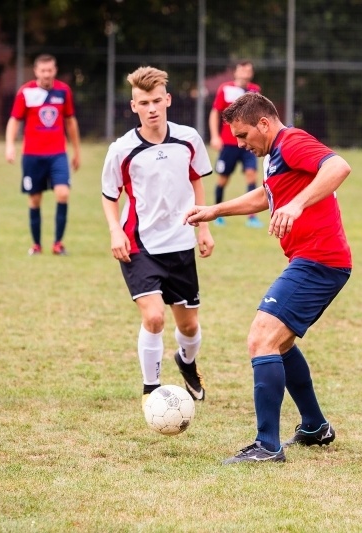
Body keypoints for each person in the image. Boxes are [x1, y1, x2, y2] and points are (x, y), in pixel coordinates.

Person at [185, 92, 353, 464]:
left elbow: (338, 167)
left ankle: (267, 445)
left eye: (243, 136)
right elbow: (267, 195)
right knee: (280, 342)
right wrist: (215, 210)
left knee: (261, 338)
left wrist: (297, 203)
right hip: (313, 260)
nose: (241, 145)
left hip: (319, 261)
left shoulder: (291, 141)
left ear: (264, 123)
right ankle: (313, 425)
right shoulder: (276, 156)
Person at [101, 66, 214, 408]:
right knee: (153, 317)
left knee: (190, 327)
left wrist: (204, 226)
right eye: (143, 102)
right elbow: (110, 195)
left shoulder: (188, 139)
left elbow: (197, 180)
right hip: (139, 244)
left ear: (167, 100)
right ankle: (152, 390)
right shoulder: (121, 149)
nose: (151, 108)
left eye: (156, 101)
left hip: (180, 244)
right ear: (133, 106)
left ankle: (187, 362)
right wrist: (115, 231)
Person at [5, 53, 80, 255]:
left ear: (54, 71)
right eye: (42, 70)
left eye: (50, 70)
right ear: (37, 71)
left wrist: (76, 151)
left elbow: (70, 121)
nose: (46, 74)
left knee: (63, 193)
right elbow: (14, 120)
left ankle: (58, 244)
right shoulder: (25, 92)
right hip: (32, 155)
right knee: (34, 200)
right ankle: (37, 245)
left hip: (58, 153)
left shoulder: (64, 91)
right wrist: (10, 145)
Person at [208, 60, 263, 228]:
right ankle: (217, 215)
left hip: (249, 143)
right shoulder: (226, 89)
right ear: (236, 72)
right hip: (229, 144)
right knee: (223, 179)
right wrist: (215, 136)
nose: (245, 73)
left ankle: (252, 217)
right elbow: (215, 113)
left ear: (251, 73)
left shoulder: (255, 90)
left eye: (248, 70)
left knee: (251, 174)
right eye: (242, 70)